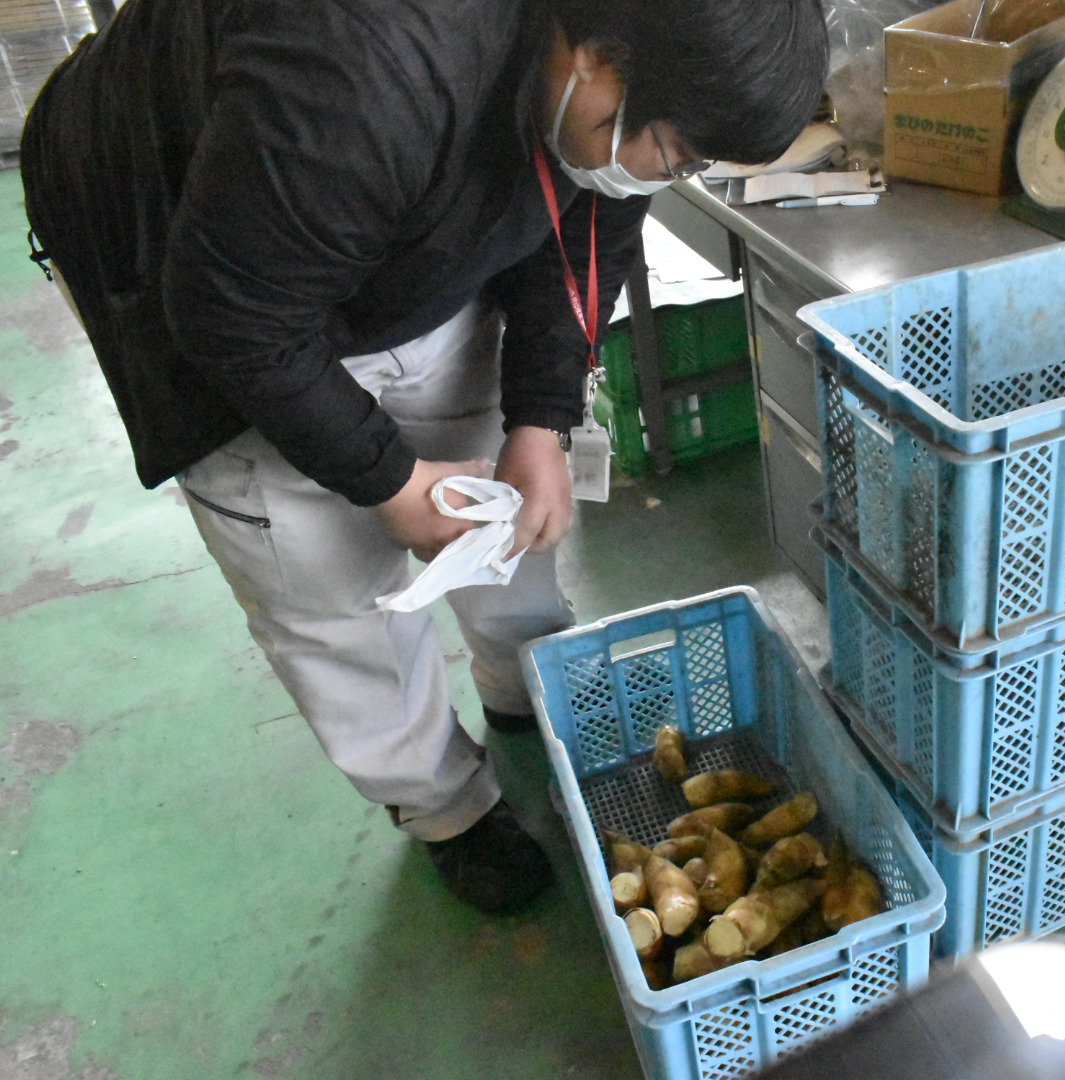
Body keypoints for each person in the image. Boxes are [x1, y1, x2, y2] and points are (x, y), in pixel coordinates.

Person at [19, 0, 828, 914]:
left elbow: (587, 224)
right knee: (319, 572)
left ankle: (525, 680)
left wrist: (540, 420)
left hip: (361, 181)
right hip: (186, 242)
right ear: (599, 62)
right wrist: (390, 482)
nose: (675, 175)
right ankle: (443, 805)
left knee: (490, 472)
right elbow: (233, 318)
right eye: (679, 155)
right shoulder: (364, 70)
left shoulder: (601, 66)